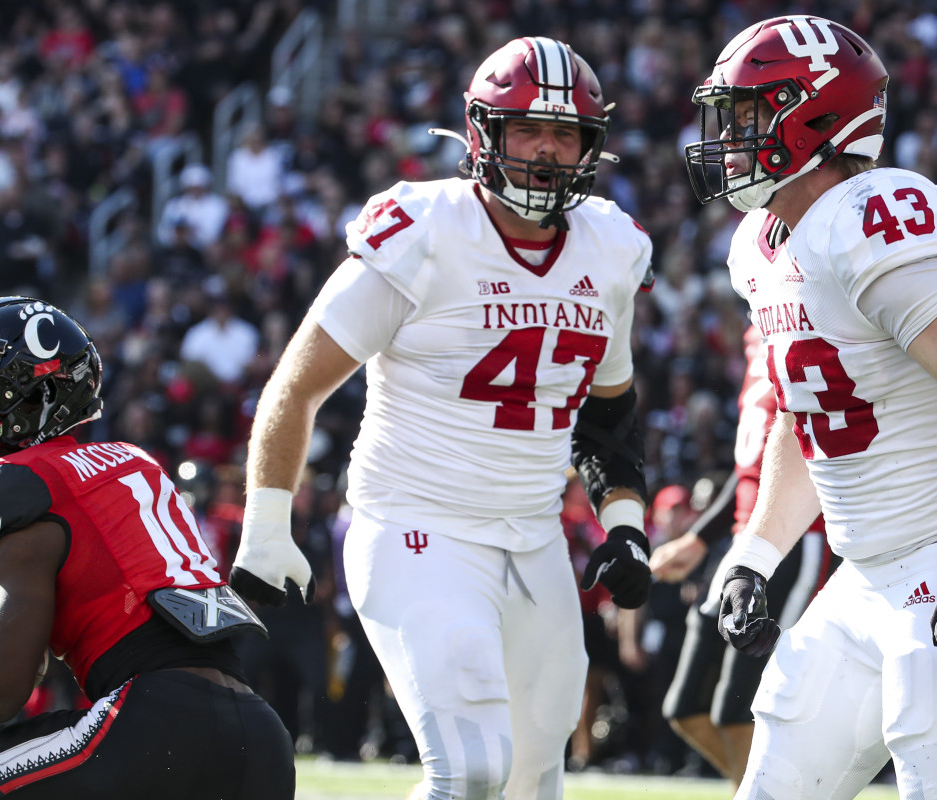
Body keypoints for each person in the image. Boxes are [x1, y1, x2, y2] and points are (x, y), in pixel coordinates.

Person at [229, 36, 655, 800]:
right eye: (528, 129)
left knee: (533, 781)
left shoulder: (611, 246)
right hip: (416, 524)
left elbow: (608, 411)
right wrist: (266, 527)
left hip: (534, 541)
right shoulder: (424, 230)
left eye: (566, 135)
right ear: (483, 133)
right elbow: (297, 384)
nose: (548, 152)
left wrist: (625, 526)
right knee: (470, 770)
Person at [682, 15, 937, 799]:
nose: (728, 134)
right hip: (864, 576)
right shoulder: (761, 243)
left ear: (814, 115)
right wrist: (754, 555)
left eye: (749, 113)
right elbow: (803, 413)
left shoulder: (871, 215)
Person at [0, 296, 295, 799]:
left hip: (155, 720)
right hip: (261, 735)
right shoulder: (134, 461)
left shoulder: (18, 484)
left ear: (30, 401)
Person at [651, 324, 832, 792]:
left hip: (795, 538)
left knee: (742, 707)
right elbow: (751, 465)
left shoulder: (811, 317)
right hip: (743, 539)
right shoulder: (760, 332)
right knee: (685, 707)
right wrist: (697, 538)